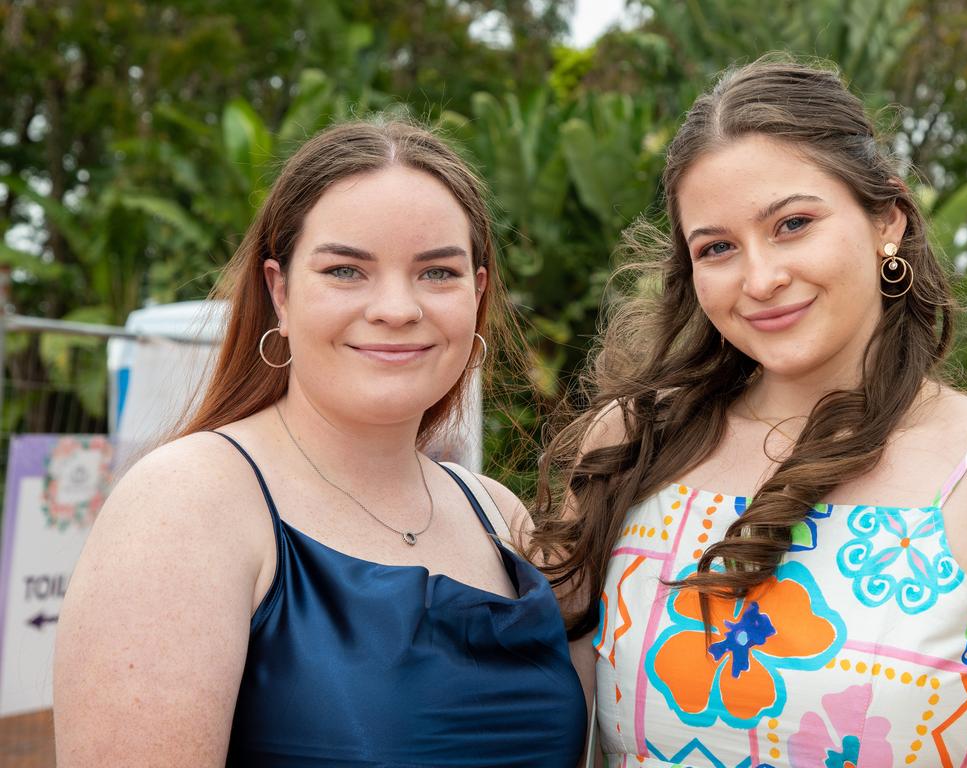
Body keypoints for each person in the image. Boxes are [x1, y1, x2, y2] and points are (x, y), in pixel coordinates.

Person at [532, 58, 967, 767]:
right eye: (718, 247)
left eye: (792, 224)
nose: (760, 279)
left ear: (887, 219)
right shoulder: (633, 445)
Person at [54, 119, 587, 767]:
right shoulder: (188, 501)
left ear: (476, 293)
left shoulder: (500, 515)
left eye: (437, 273)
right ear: (279, 291)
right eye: (346, 270)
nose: (396, 307)